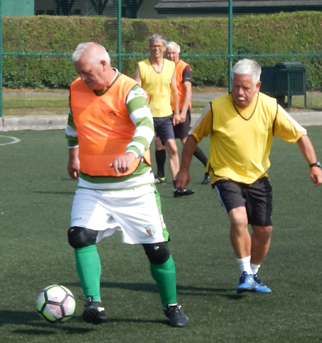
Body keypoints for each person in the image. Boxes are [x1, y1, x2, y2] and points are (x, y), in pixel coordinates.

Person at [176, 59, 322, 293]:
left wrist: (314, 164)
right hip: (224, 174)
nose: (240, 93)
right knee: (238, 219)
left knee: (264, 231)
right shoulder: (216, 107)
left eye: (246, 88)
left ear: (258, 86)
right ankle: (245, 272)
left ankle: (253, 275)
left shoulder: (271, 107)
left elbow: (300, 135)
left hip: (258, 176)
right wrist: (184, 170)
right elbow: (193, 137)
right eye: (235, 86)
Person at [67, 42, 188, 327]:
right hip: (92, 187)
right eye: (80, 74)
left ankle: (171, 305)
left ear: (105, 64)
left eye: (87, 73)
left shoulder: (129, 90)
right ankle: (93, 303)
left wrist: (132, 152)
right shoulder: (76, 88)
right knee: (78, 236)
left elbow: (146, 125)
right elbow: (73, 122)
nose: (83, 79)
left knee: (157, 250)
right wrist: (73, 155)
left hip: (134, 188)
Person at [134, 34, 194, 197]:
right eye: (153, 46)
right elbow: (136, 91)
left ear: (164, 48)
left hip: (166, 115)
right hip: (147, 116)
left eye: (159, 46)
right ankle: (138, 184)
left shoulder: (170, 66)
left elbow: (174, 90)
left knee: (173, 148)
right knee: (143, 149)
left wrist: (176, 113)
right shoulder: (141, 66)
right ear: (149, 48)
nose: (156, 49)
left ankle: (177, 187)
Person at [165, 41, 210, 185]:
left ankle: (210, 167)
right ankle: (160, 176)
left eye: (173, 53)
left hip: (180, 110)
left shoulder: (184, 68)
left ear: (178, 53)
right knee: (161, 142)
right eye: (169, 53)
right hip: (166, 110)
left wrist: (183, 112)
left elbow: (188, 91)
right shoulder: (164, 67)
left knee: (186, 141)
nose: (171, 55)